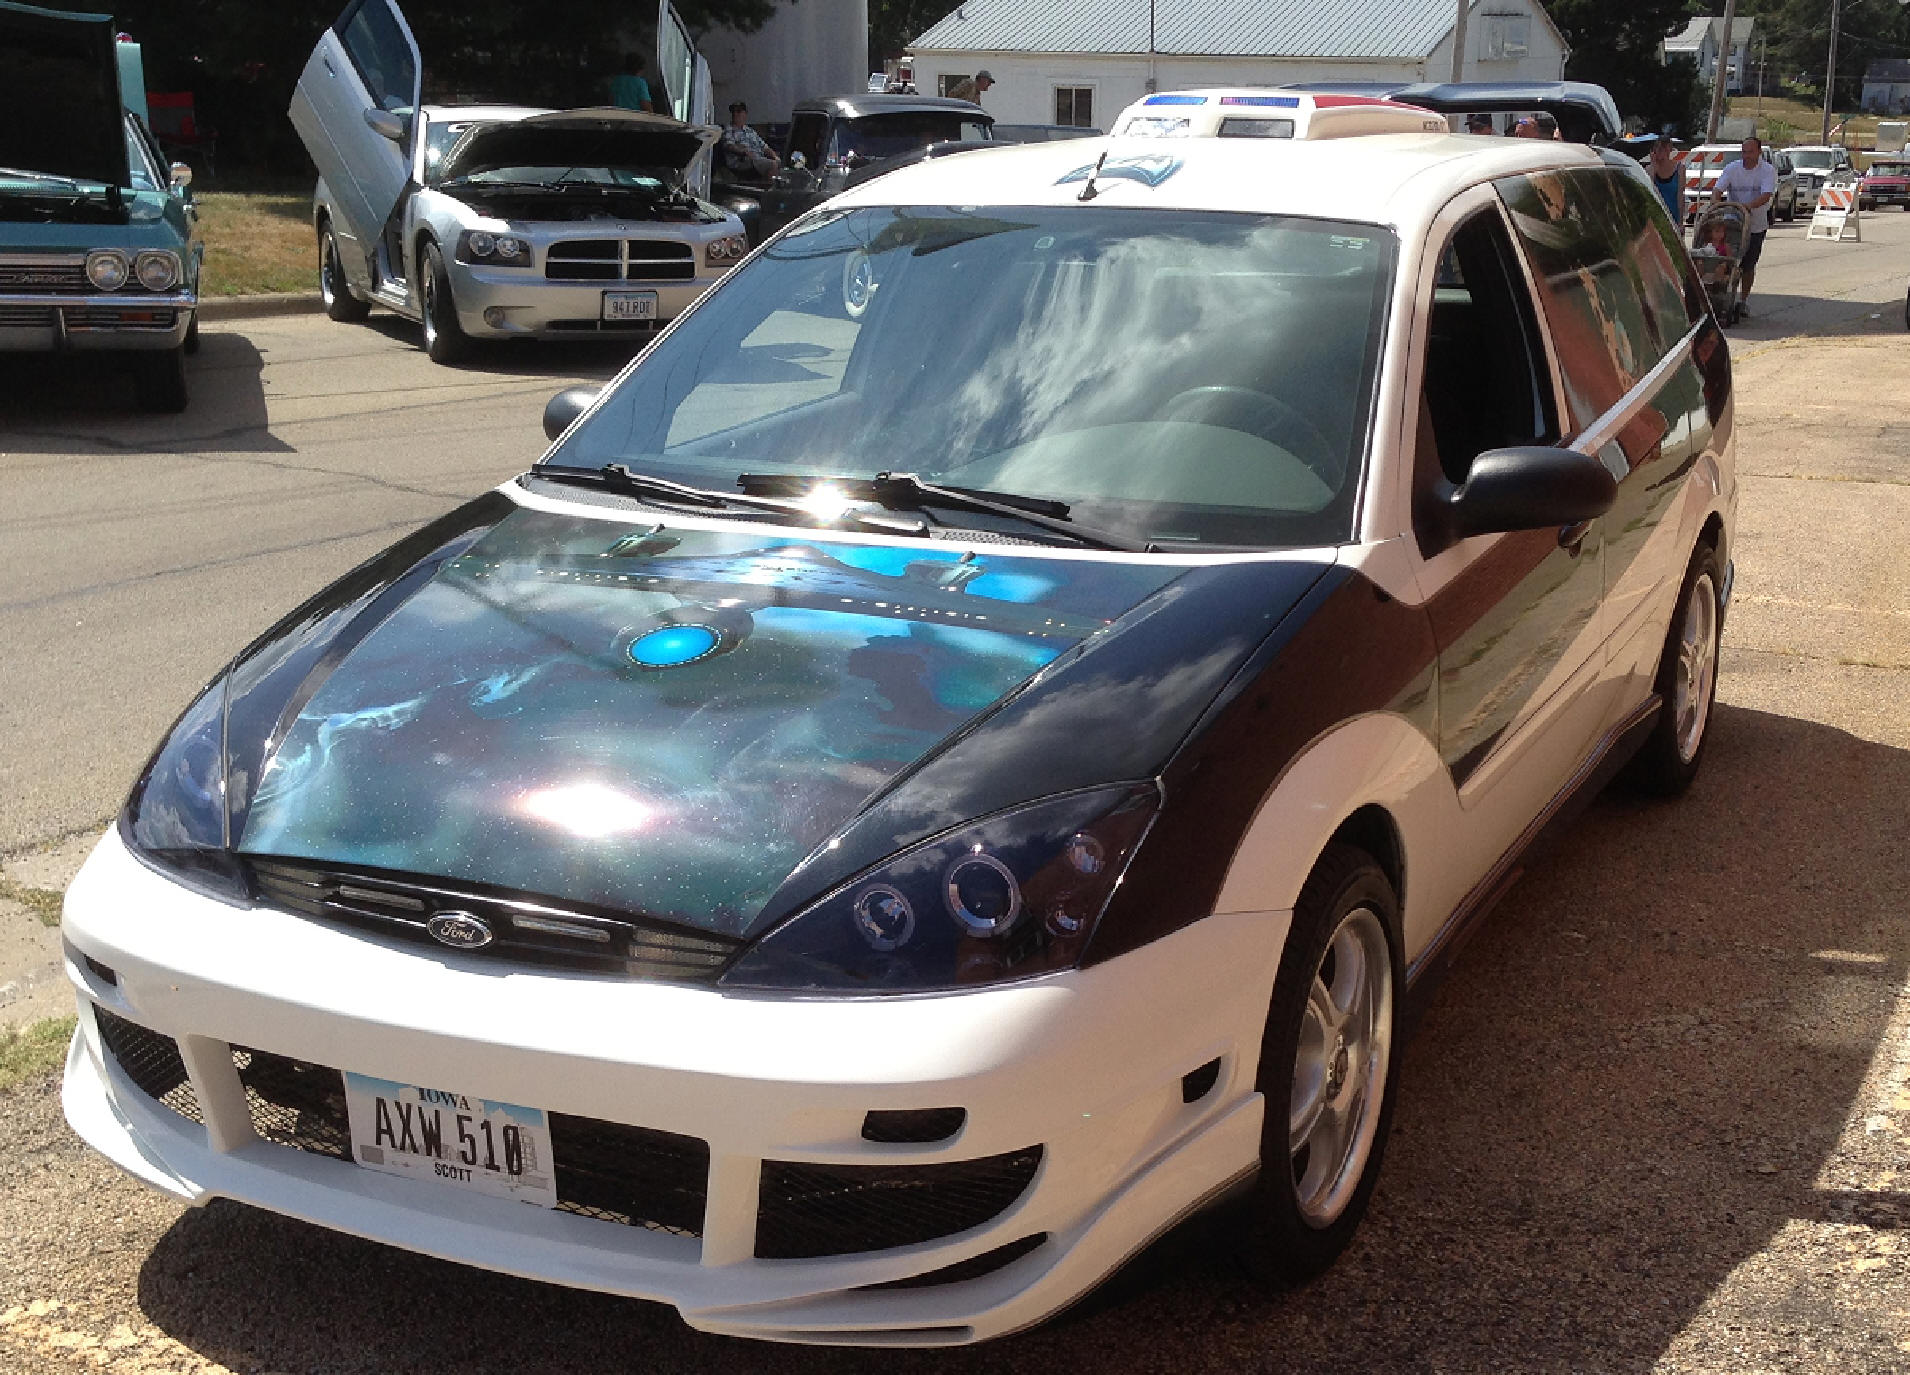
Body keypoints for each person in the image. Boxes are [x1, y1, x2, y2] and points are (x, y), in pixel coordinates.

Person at [1711, 136, 1778, 314]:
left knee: (1748, 265)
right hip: (1733, 224)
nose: (1746, 156)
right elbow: (1717, 190)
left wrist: (1748, 207)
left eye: (1750, 152)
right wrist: (1717, 205)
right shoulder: (1732, 169)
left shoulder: (1767, 171)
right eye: (1744, 152)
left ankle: (1743, 300)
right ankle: (1722, 296)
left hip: (1755, 225)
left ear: (1759, 152)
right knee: (1728, 260)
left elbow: (1766, 195)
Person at [718, 101, 780, 180]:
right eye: (733, 111)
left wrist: (774, 156)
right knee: (772, 165)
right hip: (742, 162)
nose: (735, 114)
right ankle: (768, 190)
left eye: (738, 111)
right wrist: (743, 151)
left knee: (780, 164)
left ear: (745, 114)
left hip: (757, 159)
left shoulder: (750, 131)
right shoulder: (728, 129)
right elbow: (729, 146)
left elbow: (764, 147)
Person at [1648, 136, 1685, 224]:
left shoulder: (1679, 168)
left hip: (1673, 216)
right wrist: (1653, 168)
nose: (1661, 152)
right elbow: (1649, 191)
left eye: (1663, 149)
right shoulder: (1650, 169)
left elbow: (1680, 195)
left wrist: (1681, 221)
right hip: (1656, 217)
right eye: (1658, 149)